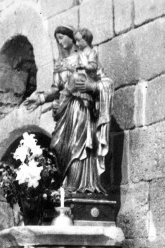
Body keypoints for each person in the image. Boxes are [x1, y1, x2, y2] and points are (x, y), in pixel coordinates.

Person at [23, 25, 113, 194]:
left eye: (62, 37)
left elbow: (106, 82)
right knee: (58, 145)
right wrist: (41, 98)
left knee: (78, 147)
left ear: (72, 38)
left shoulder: (85, 57)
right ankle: (67, 188)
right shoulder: (60, 64)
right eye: (57, 38)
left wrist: (92, 86)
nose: (60, 41)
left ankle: (81, 187)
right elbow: (56, 89)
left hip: (81, 107)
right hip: (65, 110)